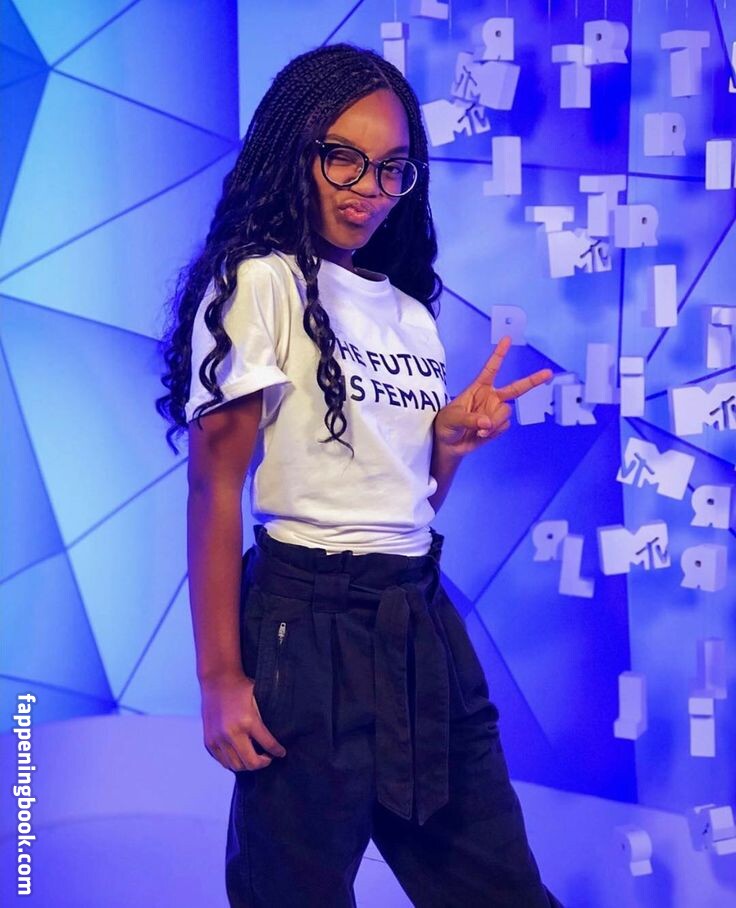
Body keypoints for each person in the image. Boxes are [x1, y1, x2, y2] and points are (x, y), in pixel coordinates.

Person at [157, 41, 562, 908]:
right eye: (342, 157)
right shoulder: (260, 283)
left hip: (420, 622)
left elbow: (408, 503)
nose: (367, 189)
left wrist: (446, 444)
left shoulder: (410, 314)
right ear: (294, 150)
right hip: (304, 628)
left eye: (390, 169)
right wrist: (219, 679)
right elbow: (212, 487)